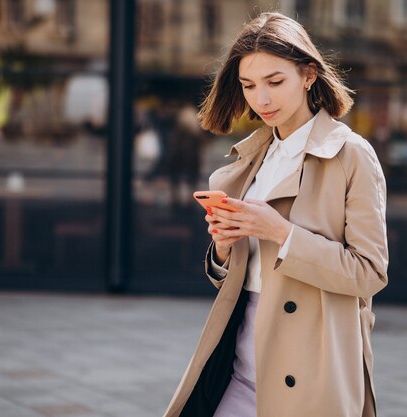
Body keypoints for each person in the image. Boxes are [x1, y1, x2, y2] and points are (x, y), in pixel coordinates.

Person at [163, 12, 389, 417]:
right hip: (240, 360)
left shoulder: (351, 155)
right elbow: (237, 278)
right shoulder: (249, 160)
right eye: (249, 85)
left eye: (274, 82)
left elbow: (370, 273)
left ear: (308, 75)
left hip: (311, 369)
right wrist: (223, 248)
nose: (260, 99)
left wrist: (283, 234)